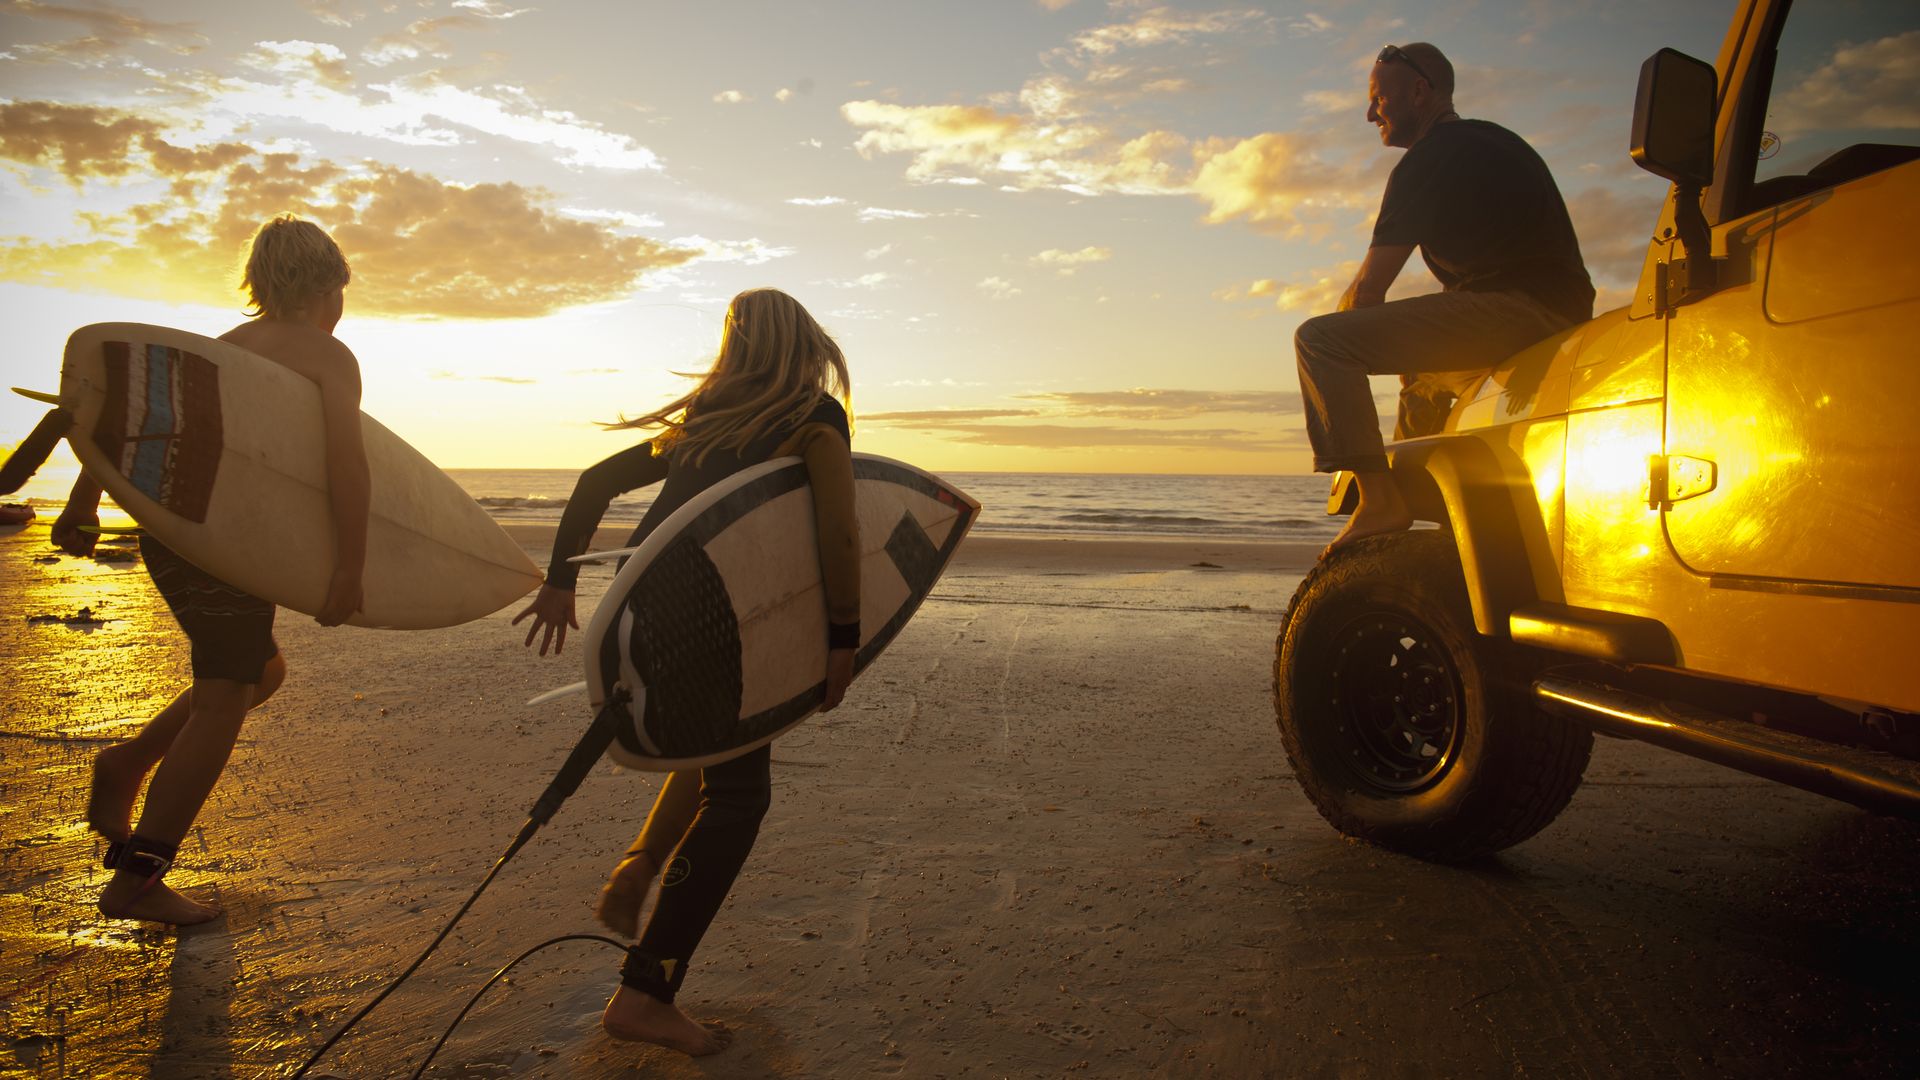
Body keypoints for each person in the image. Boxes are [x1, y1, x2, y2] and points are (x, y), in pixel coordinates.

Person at [513, 287, 860, 1056]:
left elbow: (593, 483)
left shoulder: (705, 422)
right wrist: (845, 637)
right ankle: (645, 994)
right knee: (742, 795)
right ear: (807, 345)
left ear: (734, 349)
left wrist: (561, 583)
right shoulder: (812, 416)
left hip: (648, 602)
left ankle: (642, 864)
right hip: (719, 611)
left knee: (718, 748)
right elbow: (840, 531)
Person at [54, 215, 369, 926]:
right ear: (328, 286)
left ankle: (129, 763)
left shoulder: (217, 348)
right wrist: (349, 565)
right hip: (235, 544)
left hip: (176, 535)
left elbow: (132, 431)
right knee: (226, 692)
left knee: (263, 673)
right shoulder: (329, 356)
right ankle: (138, 878)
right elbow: (347, 465)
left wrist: (84, 501)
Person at [1295, 42, 1594, 552]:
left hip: (1521, 312)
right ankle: (1437, 521)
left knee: (1320, 341)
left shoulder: (1430, 157)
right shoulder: (1496, 141)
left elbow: (1369, 291)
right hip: (1561, 314)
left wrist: (1347, 336)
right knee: (1420, 383)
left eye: (1379, 99)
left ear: (1419, 91)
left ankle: (1380, 501)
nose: (1370, 114)